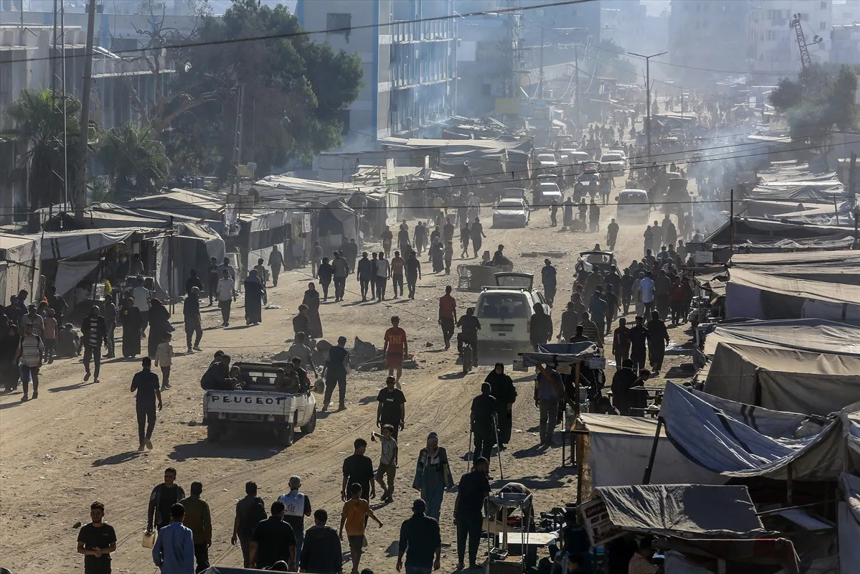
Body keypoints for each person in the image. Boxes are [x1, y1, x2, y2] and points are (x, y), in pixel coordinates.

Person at [454, 457, 491, 570]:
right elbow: (486, 498)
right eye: (485, 466)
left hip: (461, 512)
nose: (486, 468)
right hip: (474, 514)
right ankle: (471, 563)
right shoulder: (482, 478)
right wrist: (488, 513)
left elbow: (459, 496)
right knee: (474, 539)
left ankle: (460, 563)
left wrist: (455, 512)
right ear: (479, 465)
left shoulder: (465, 477)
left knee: (461, 538)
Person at [340, 483, 383, 574]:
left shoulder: (347, 504)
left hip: (349, 529)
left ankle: (354, 566)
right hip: (359, 529)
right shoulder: (364, 503)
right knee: (358, 550)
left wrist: (340, 531)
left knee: (352, 547)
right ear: (359, 492)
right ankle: (355, 568)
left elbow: (343, 518)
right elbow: (370, 514)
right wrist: (378, 522)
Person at [412, 432, 454, 521]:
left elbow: (446, 466)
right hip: (426, 479)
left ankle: (434, 520)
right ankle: (426, 519)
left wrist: (449, 482)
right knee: (426, 501)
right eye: (431, 443)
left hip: (438, 478)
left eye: (435, 443)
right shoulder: (423, 452)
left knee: (437, 501)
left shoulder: (441, 451)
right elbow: (419, 467)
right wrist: (417, 482)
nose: (433, 445)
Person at [397, 499, 442, 574]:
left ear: (413, 509)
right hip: (426, 562)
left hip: (411, 561)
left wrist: (399, 560)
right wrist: (437, 559)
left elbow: (402, 544)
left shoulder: (407, 523)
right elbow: (437, 543)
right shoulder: (432, 523)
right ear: (425, 509)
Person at [251, 500, 297, 570]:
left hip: (262, 565)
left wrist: (251, 562)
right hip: (281, 567)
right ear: (282, 512)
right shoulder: (286, 527)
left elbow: (254, 545)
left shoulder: (261, 525)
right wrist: (292, 563)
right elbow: (292, 548)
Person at [232, 482, 267, 568]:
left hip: (244, 532)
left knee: (247, 557)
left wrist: (234, 534)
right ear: (255, 490)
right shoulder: (259, 501)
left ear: (246, 490)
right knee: (257, 556)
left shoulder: (241, 503)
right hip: (257, 532)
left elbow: (238, 519)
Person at [152, 503, 195, 574]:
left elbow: (155, 551)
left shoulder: (163, 531)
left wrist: (159, 563)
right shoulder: (187, 532)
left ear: (171, 516)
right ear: (183, 516)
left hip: (167, 570)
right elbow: (189, 556)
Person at [179, 482, 212, 573]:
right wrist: (208, 538)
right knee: (203, 563)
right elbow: (207, 523)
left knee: (184, 563)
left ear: (191, 490)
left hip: (184, 539)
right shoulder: (202, 504)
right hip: (199, 539)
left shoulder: (182, 503)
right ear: (200, 491)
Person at [77, 501, 117, 574]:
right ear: (90, 514)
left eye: (98, 513)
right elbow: (80, 548)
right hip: (90, 566)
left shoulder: (109, 529)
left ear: (103, 514)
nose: (95, 515)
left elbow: (113, 547)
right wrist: (93, 553)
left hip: (104, 566)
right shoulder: (85, 530)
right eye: (93, 513)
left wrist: (101, 551)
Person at [132, 357, 162, 451]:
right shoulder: (154, 376)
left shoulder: (137, 375)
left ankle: (141, 445)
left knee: (141, 424)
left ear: (142, 365)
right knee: (152, 421)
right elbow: (157, 390)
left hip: (140, 401)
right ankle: (147, 437)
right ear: (150, 365)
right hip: (150, 401)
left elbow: (132, 389)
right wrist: (160, 401)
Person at [278, 476, 312, 559]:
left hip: (284, 530)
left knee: (283, 553)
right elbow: (308, 513)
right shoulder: (304, 498)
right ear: (299, 485)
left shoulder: (282, 498)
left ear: (289, 485)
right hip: (298, 530)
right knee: (296, 554)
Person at [300, 509, 342, 574]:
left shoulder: (310, 533)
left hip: (312, 568)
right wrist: (339, 567)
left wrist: (302, 565)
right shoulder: (332, 533)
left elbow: (305, 550)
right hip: (329, 568)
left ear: (316, 519)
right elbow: (337, 551)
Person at [485, 363, 516, 448]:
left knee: (503, 423)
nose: (498, 370)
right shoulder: (490, 379)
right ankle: (491, 441)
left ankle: (501, 441)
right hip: (493, 405)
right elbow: (485, 391)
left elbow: (512, 391)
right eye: (497, 368)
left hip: (504, 406)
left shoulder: (506, 379)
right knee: (492, 423)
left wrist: (510, 402)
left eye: (500, 368)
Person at [147, 468, 186, 535]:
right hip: (161, 522)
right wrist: (150, 523)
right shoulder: (158, 490)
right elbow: (151, 506)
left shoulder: (179, 491)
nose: (167, 479)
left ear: (174, 478)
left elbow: (183, 508)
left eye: (170, 477)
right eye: (166, 476)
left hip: (175, 523)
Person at [13, 322, 43, 401]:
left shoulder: (37, 338)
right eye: (26, 328)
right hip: (24, 361)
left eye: (29, 328)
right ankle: (25, 394)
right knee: (25, 379)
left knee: (34, 377)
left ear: (32, 329)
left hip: (35, 361)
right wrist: (15, 359)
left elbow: (41, 349)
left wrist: (40, 360)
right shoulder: (22, 338)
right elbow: (19, 349)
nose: (27, 330)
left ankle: (35, 391)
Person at [535, 366, 563, 446]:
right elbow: (561, 386)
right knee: (552, 420)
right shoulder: (556, 374)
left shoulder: (540, 374)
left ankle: (542, 438)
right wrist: (562, 396)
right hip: (553, 399)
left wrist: (536, 398)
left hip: (543, 398)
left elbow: (537, 386)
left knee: (543, 419)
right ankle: (549, 438)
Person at [372, 423, 399, 502]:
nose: (384, 433)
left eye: (386, 432)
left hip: (390, 465)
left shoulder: (393, 442)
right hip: (383, 463)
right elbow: (373, 432)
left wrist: (390, 462)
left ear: (390, 433)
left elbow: (394, 454)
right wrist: (373, 435)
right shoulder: (383, 438)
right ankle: (386, 490)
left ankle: (390, 496)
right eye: (384, 432)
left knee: (390, 481)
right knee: (378, 478)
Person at [342, 438, 375, 503]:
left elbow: (345, 477)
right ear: (360, 447)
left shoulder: (348, 460)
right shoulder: (367, 460)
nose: (365, 450)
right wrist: (373, 489)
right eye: (364, 447)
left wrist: (343, 490)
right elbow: (371, 476)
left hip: (351, 488)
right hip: (364, 488)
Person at [471, 382, 498, 461]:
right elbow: (495, 415)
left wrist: (472, 426)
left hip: (478, 426)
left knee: (478, 447)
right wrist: (496, 426)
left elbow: (472, 414)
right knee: (487, 448)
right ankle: (485, 466)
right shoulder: (492, 400)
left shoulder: (476, 399)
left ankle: (475, 466)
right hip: (488, 426)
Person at [323, 336, 350, 412]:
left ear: (338, 341)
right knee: (342, 388)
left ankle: (326, 403)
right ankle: (341, 405)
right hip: (341, 372)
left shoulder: (331, 349)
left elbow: (327, 361)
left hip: (331, 371)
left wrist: (323, 372)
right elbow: (345, 364)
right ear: (344, 343)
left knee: (329, 388)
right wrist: (348, 371)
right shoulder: (345, 352)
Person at [81, 306, 107, 383]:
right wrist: (87, 332)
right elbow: (83, 329)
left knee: (97, 360)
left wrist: (106, 340)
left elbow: (104, 330)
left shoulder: (101, 319)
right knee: (86, 359)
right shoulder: (86, 319)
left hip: (97, 342)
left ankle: (96, 377)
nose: (97, 312)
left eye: (98, 310)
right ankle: (88, 372)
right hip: (88, 342)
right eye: (96, 310)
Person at [377, 375, 406, 439]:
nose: (389, 384)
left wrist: (402, 421)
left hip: (395, 420)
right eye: (388, 382)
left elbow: (402, 408)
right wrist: (378, 418)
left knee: (393, 439)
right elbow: (380, 407)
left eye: (391, 382)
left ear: (394, 383)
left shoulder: (399, 393)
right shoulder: (383, 392)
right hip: (385, 419)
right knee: (384, 439)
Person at [383, 316, 408, 386]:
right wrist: (384, 352)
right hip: (390, 352)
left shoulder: (402, 331)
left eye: (396, 322)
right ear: (392, 322)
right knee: (391, 370)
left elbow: (405, 343)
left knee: (399, 370)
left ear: (398, 322)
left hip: (399, 353)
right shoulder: (388, 331)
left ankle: (397, 380)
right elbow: (386, 343)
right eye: (394, 322)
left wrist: (406, 353)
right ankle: (391, 384)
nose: (395, 323)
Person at [183, 286, 203, 353]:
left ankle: (190, 348)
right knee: (199, 332)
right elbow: (196, 310)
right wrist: (198, 318)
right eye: (197, 291)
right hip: (194, 318)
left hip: (188, 318)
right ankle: (195, 345)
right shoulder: (195, 299)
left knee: (189, 334)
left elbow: (184, 311)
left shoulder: (187, 299)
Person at [438, 286, 457, 350]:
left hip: (445, 317)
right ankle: (447, 342)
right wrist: (456, 319)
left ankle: (447, 341)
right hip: (448, 318)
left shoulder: (443, 299)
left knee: (446, 332)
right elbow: (454, 310)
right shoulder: (451, 299)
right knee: (450, 331)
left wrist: (439, 318)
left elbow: (440, 309)